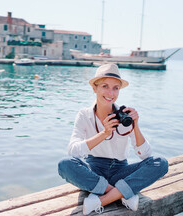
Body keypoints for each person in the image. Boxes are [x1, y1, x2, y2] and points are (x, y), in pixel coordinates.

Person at [58, 63, 168, 215]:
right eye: (105, 86)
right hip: (94, 170)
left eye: (116, 88)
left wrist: (135, 125)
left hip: (121, 170)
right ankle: (122, 193)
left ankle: (102, 199)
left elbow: (145, 155)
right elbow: (73, 151)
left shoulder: (124, 116)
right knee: (64, 164)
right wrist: (103, 133)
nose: (111, 93)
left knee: (160, 163)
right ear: (94, 88)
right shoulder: (84, 115)